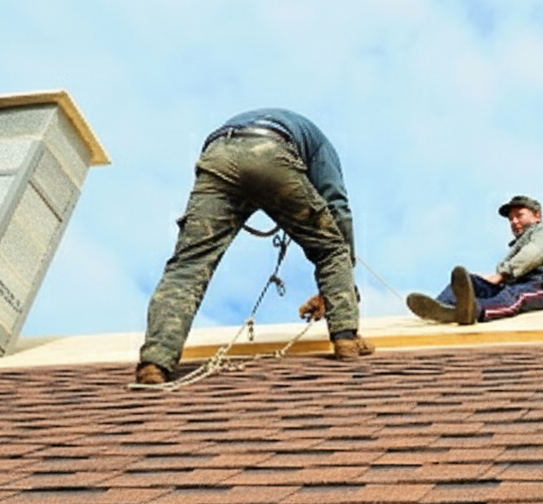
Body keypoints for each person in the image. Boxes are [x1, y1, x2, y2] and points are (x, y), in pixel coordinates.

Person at [135, 108, 372, 385]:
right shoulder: (323, 148)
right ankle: (346, 339)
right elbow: (338, 209)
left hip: (218, 155)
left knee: (188, 265)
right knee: (332, 248)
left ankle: (155, 362)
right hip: (270, 151)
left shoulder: (281, 125)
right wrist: (343, 286)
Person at [406, 195, 543, 325]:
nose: (514, 222)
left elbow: (534, 253)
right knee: (473, 281)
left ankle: (472, 311)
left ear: (537, 216)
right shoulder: (516, 246)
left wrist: (503, 274)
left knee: (514, 296)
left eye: (519, 216)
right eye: (511, 219)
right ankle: (442, 309)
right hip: (515, 281)